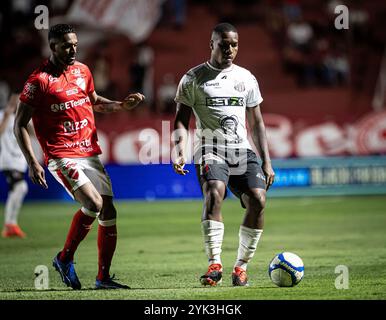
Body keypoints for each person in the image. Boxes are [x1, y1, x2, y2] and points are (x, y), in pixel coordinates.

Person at [14, 24, 145, 290]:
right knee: (94, 203)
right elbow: (19, 124)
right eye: (66, 45)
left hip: (89, 151)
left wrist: (120, 105)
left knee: (108, 211)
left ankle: (103, 278)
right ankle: (64, 259)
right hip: (62, 155)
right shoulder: (38, 81)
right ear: (52, 47)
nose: (73, 49)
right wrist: (32, 161)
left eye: (74, 44)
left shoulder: (82, 71)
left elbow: (93, 100)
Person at [172, 23, 275, 287]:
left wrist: (267, 160)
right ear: (212, 44)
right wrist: (179, 150)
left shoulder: (247, 78)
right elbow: (181, 121)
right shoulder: (193, 79)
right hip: (210, 148)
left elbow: (258, 123)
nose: (230, 49)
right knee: (214, 192)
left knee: (258, 199)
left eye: (234, 44)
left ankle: (241, 267)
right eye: (224, 43)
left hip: (241, 150)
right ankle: (214, 264)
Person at [0, 93, 28, 238]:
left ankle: (11, 225)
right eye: (15, 100)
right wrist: (6, 115)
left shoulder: (23, 117)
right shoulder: (2, 115)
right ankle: (10, 224)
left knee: (17, 191)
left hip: (19, 161)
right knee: (21, 187)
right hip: (8, 161)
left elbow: (33, 135)